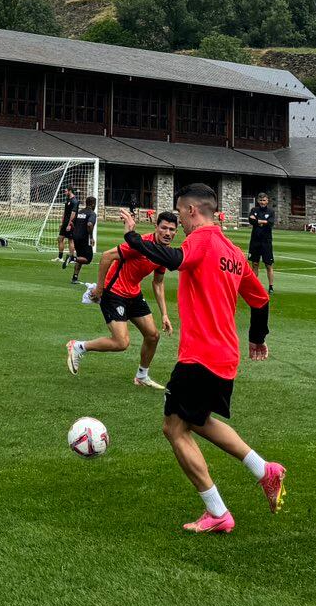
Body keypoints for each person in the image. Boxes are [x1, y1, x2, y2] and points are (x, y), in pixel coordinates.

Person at [115, 191, 286, 532]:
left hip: (200, 356)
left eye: (180, 213)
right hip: (224, 356)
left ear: (192, 210)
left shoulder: (204, 241)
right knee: (198, 420)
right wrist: (257, 337)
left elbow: (171, 257)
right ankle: (264, 470)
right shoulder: (234, 253)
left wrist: (133, 237)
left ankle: (218, 513)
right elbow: (260, 298)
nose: (179, 222)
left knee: (174, 428)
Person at [67, 207, 176, 388]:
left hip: (133, 293)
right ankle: (78, 347)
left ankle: (142, 376)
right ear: (156, 227)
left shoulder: (164, 253)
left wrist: (164, 314)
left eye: (172, 230)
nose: (167, 233)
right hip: (114, 292)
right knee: (121, 342)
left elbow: (158, 283)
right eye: (164, 228)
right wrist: (100, 289)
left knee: (153, 336)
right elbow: (107, 256)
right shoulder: (141, 244)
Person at [246, 190, 278, 289]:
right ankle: (253, 286)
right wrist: (262, 221)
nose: (262, 202)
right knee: (255, 264)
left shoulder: (271, 212)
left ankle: (271, 286)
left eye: (264, 200)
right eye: (260, 200)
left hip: (266, 242)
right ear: (258, 201)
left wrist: (257, 221)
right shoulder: (254, 210)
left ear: (267, 201)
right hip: (255, 241)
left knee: (268, 265)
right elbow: (251, 221)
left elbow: (270, 223)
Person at [67, 194, 99, 283]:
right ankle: (72, 259)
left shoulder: (80, 212)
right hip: (85, 238)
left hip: (76, 237)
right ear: (93, 204)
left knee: (80, 256)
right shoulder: (92, 214)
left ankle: (74, 277)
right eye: (95, 204)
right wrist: (91, 237)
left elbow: (72, 223)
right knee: (88, 259)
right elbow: (89, 224)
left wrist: (76, 231)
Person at [56, 186, 78, 264]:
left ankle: (72, 258)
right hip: (65, 222)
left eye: (66, 191)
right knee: (60, 238)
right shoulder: (68, 200)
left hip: (71, 223)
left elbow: (73, 213)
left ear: (70, 191)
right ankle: (60, 257)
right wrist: (62, 222)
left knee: (70, 240)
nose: (65, 192)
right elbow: (65, 212)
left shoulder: (75, 201)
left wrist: (69, 224)